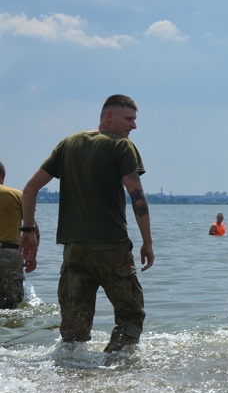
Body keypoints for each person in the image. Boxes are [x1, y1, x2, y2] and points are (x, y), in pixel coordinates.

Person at [19, 95, 154, 352]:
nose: (133, 126)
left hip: (74, 250)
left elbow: (30, 188)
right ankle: (115, 370)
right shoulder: (121, 147)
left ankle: (72, 374)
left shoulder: (68, 144)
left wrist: (27, 230)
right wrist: (147, 242)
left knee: (73, 330)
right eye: (129, 119)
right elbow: (137, 197)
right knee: (131, 316)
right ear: (109, 116)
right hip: (110, 247)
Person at [0, 161, 25, 310]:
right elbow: (32, 229)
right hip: (10, 253)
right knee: (11, 305)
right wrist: (31, 256)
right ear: (3, 175)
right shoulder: (17, 195)